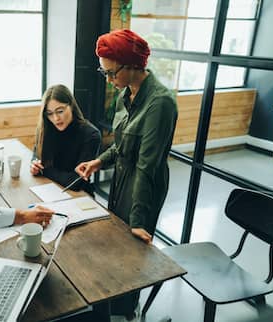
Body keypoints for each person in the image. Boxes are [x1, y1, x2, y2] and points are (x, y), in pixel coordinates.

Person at [75, 29, 178, 321]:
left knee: (132, 253)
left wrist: (138, 220)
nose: (108, 80)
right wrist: (98, 161)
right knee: (113, 249)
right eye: (103, 72)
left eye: (111, 72)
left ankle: (127, 310)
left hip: (143, 187)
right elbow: (121, 147)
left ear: (133, 65)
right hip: (122, 180)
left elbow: (147, 166)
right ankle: (113, 307)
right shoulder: (125, 94)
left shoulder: (161, 103)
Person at [30, 84, 101, 195]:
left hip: (79, 196)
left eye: (60, 111)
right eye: (50, 113)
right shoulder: (46, 128)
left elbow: (77, 182)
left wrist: (45, 170)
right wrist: (34, 165)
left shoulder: (91, 135)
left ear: (71, 105)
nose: (56, 118)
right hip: (48, 189)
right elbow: (37, 156)